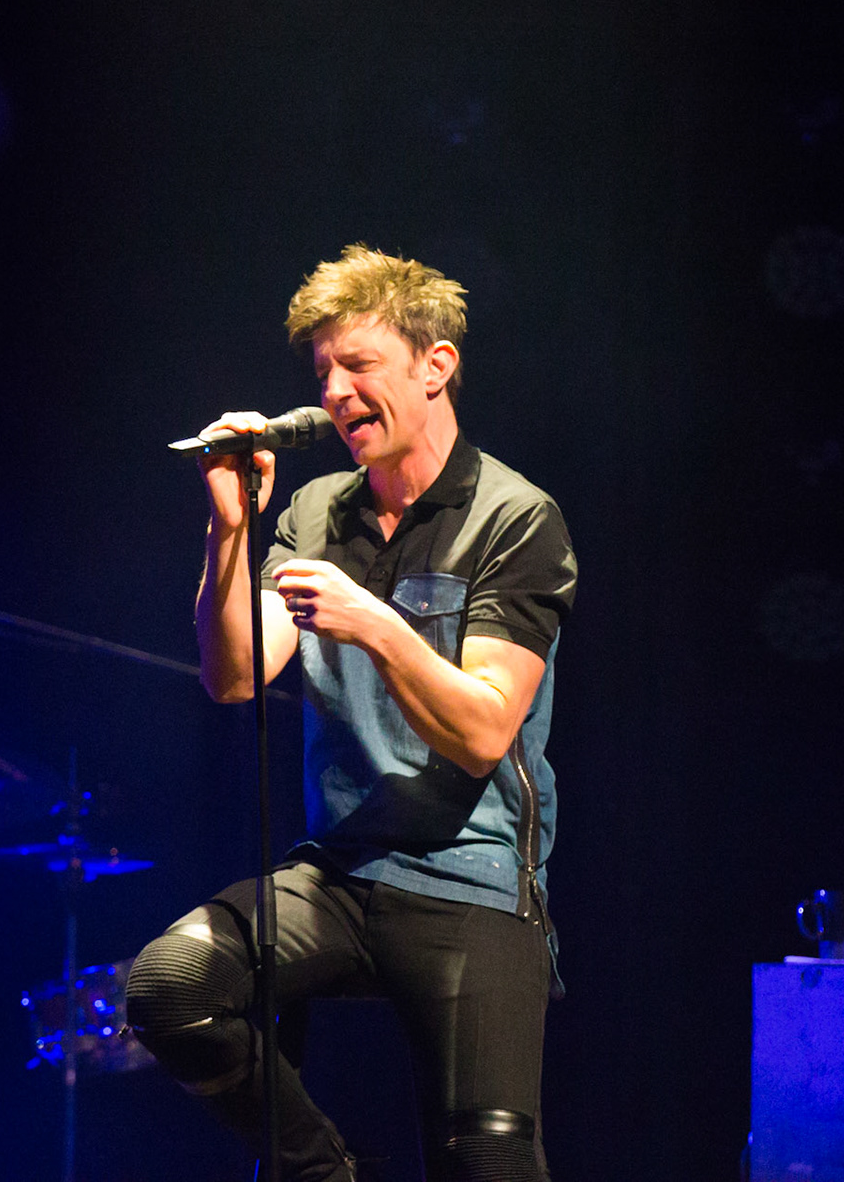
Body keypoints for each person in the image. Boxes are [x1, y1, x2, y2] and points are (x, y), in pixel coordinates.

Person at [126, 246, 577, 1182]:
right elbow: (235, 677)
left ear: (435, 366)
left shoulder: (515, 517)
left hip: (472, 878)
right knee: (171, 986)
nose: (335, 393)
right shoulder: (317, 509)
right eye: (323, 372)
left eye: (359, 365)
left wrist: (373, 622)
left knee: (486, 1158)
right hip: (338, 872)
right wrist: (230, 528)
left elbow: (484, 732)